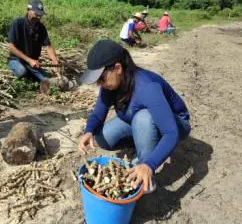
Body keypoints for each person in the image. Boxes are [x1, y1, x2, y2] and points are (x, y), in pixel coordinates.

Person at [78, 40, 191, 193]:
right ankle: (144, 141)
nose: (99, 84)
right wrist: (89, 130)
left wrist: (149, 165)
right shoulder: (110, 85)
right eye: (97, 80)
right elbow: (99, 112)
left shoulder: (147, 88)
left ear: (118, 68)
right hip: (138, 120)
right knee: (103, 137)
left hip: (175, 124)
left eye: (101, 78)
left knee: (144, 118)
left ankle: (145, 174)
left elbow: (171, 133)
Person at [7, 0, 61, 94]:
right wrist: (29, 60)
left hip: (32, 63)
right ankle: (26, 74)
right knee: (21, 71)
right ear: (28, 10)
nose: (39, 17)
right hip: (16, 59)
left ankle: (31, 75)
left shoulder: (40, 27)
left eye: (40, 15)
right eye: (36, 14)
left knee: (46, 79)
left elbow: (48, 46)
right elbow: (11, 47)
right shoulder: (18, 23)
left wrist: (55, 62)